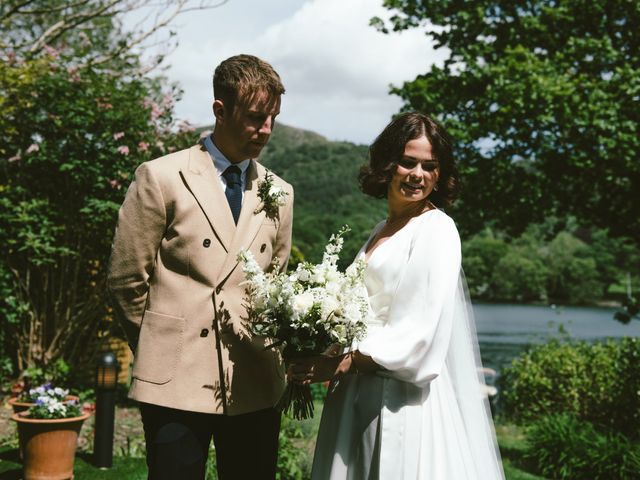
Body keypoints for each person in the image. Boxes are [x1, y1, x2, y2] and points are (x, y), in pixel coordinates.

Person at [107, 54, 294, 480]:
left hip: (253, 381)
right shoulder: (161, 176)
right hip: (174, 381)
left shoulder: (279, 192)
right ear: (220, 110)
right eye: (254, 117)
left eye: (272, 119)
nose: (265, 130)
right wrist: (161, 344)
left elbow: (276, 284)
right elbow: (125, 279)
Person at [289, 112, 504, 479]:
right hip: (356, 395)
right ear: (388, 165)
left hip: (397, 403)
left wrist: (343, 363)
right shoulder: (381, 229)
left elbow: (418, 330)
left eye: (429, 165)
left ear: (440, 175)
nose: (417, 174)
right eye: (407, 162)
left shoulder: (437, 229)